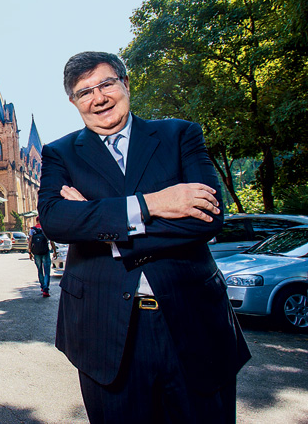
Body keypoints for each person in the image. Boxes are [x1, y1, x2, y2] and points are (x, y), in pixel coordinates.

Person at [37, 51, 250, 423]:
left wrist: (102, 225)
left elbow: (208, 219)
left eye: (106, 84)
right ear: (73, 101)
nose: (98, 97)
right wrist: (158, 203)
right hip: (104, 333)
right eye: (84, 91)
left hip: (193, 323)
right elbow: (56, 221)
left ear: (125, 83)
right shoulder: (60, 154)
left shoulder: (179, 134)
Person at [29, 217, 57, 297]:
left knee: (40, 270)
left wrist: (30, 252)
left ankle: (42, 286)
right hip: (45, 252)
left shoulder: (32, 230)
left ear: (36, 221)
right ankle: (45, 289)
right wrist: (54, 252)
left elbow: (30, 241)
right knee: (47, 271)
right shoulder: (45, 229)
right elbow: (51, 241)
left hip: (36, 252)